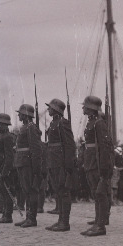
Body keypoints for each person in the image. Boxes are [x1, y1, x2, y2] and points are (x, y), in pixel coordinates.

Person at [80, 95, 113, 237]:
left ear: (91, 108)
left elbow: (105, 147)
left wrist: (104, 168)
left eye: (85, 106)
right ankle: (97, 221)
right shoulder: (91, 122)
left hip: (96, 162)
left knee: (100, 193)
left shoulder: (99, 123)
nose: (83, 108)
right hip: (90, 160)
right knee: (95, 192)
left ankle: (100, 225)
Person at [44, 98, 75, 232]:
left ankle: (64, 222)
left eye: (50, 107)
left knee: (64, 191)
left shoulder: (63, 123)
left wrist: (68, 165)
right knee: (58, 190)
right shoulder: (53, 123)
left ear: (56, 109)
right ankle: (60, 220)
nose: (48, 110)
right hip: (53, 161)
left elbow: (69, 145)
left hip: (61, 162)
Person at [13, 104, 43, 228]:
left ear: (25, 115)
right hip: (22, 161)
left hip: (28, 163)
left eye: (20, 113)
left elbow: (35, 149)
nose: (18, 115)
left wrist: (36, 167)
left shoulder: (31, 128)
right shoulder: (25, 127)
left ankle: (32, 218)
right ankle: (28, 217)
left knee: (31, 190)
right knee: (26, 190)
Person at [0, 113, 16, 223]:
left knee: (7, 192)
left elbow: (9, 156)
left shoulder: (8, 137)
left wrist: (5, 171)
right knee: (2, 192)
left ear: (5, 125)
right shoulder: (1, 136)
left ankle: (8, 215)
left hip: (4, 169)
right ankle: (4, 214)